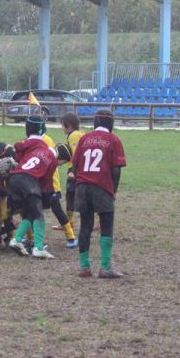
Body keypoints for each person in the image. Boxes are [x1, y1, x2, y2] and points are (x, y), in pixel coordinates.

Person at [71, 109, 126, 278]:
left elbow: (74, 165)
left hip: (82, 187)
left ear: (95, 122)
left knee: (85, 226)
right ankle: (105, 267)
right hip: (101, 187)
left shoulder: (84, 138)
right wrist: (114, 190)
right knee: (106, 224)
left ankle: (84, 267)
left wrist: (80, 180)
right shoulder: (114, 140)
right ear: (111, 123)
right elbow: (116, 170)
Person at [7, 115, 58, 259]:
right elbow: (46, 179)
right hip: (28, 180)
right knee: (39, 214)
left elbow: (18, 156)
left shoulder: (26, 146)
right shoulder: (48, 153)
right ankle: (39, 248)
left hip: (14, 177)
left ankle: (17, 240)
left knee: (30, 213)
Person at [40, 125, 78, 249]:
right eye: (62, 163)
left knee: (55, 210)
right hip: (48, 187)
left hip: (51, 188)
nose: (60, 165)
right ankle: (31, 238)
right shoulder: (51, 158)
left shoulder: (49, 153)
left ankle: (71, 237)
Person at [58, 112, 85, 229]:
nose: (61, 128)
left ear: (68, 125)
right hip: (80, 169)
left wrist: (72, 171)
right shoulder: (79, 134)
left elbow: (75, 155)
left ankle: (69, 224)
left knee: (71, 196)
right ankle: (69, 223)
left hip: (76, 171)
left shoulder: (74, 136)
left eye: (62, 125)